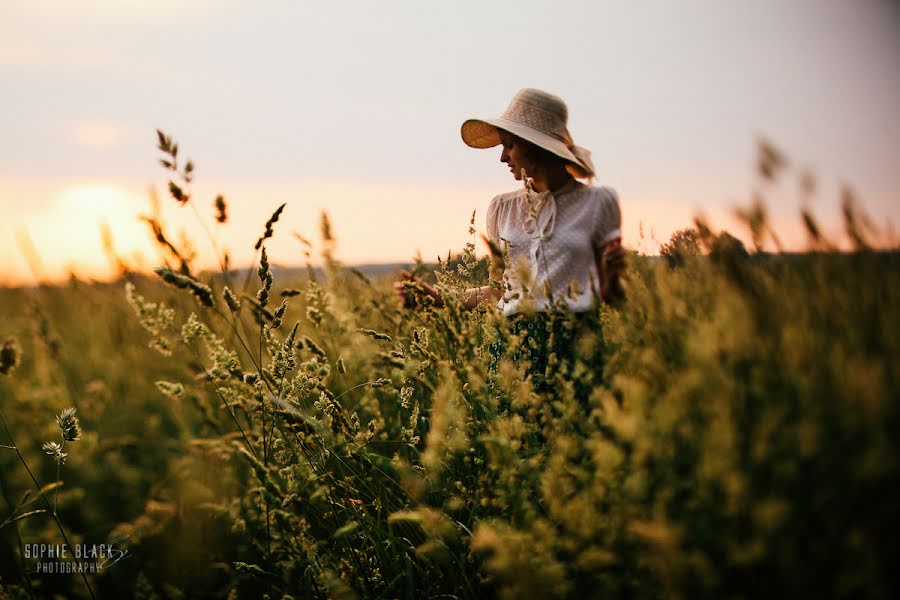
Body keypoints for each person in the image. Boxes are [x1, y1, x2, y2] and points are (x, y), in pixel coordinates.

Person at [396, 87, 624, 316]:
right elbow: (500, 293)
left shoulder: (598, 203)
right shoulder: (503, 208)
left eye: (509, 145)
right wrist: (435, 297)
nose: (502, 157)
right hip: (512, 343)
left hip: (575, 341)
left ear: (536, 146)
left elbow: (612, 298)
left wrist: (612, 280)